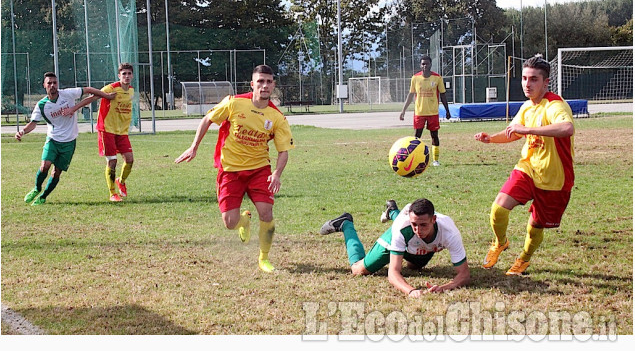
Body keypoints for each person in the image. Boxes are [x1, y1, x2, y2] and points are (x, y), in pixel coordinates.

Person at [174, 65, 295, 273]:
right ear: (252, 84)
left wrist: (276, 173)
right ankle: (243, 221)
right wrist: (194, 147)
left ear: (273, 85)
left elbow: (283, 151)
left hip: (259, 170)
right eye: (260, 81)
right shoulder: (234, 103)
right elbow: (207, 119)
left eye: (268, 81)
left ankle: (264, 258)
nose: (264, 85)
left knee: (266, 213)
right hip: (230, 170)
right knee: (229, 222)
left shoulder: (277, 118)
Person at [475, 55, 575, 276]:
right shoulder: (527, 107)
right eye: (524, 78)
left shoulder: (554, 105)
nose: (527, 84)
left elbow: (567, 128)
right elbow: (513, 132)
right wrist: (490, 138)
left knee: (536, 225)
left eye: (533, 79)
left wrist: (530, 130)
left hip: (554, 178)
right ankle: (500, 242)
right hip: (528, 167)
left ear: (545, 82)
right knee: (498, 207)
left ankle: (524, 259)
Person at [319, 198, 470, 297]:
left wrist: (445, 287)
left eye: (423, 224)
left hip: (420, 247)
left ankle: (392, 211)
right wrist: (410, 291)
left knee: (414, 267)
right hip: (397, 238)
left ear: (434, 220)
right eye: (414, 224)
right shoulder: (402, 229)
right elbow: (393, 273)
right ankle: (346, 224)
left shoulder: (450, 233)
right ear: (409, 221)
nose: (418, 230)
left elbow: (464, 274)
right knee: (358, 270)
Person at [15, 71, 115, 206]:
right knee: (45, 166)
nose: (52, 85)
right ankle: (37, 188)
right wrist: (22, 131)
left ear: (58, 84)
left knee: (56, 173)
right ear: (44, 85)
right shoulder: (41, 105)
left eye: (54, 82)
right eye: (49, 83)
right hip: (53, 140)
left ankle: (43, 196)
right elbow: (33, 124)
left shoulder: (67, 94)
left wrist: (106, 96)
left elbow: (89, 90)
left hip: (69, 142)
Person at [68, 63, 136, 202]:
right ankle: (112, 194)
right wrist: (73, 109)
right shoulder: (110, 88)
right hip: (107, 130)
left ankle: (121, 181)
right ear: (119, 76)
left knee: (129, 160)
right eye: (124, 74)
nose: (127, 76)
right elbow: (91, 98)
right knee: (112, 161)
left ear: (132, 76)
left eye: (129, 74)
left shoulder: (131, 91)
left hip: (122, 132)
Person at [399, 55, 451, 167]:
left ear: (430, 64)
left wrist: (447, 110)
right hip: (419, 112)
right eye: (423, 64)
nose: (425, 66)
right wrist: (403, 111)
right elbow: (411, 94)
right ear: (420, 65)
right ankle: (414, 158)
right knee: (416, 137)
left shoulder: (437, 78)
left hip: (433, 112)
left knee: (434, 136)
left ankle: (435, 160)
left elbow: (443, 95)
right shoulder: (415, 78)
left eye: (426, 64)